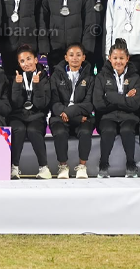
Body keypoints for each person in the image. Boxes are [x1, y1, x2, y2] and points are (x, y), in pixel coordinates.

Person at [92, 39, 140, 179]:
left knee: (127, 130)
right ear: (109, 58)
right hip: (107, 116)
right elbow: (98, 104)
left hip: (129, 116)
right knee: (108, 130)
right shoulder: (101, 76)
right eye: (115, 58)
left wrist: (110, 96)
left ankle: (131, 164)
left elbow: (135, 104)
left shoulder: (135, 77)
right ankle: (103, 164)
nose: (118, 61)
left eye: (121, 58)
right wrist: (125, 98)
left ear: (127, 58)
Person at [48, 43, 95, 179]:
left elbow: (89, 104)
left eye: (78, 55)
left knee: (85, 132)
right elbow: (54, 103)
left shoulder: (90, 78)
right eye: (71, 55)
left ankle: (82, 166)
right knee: (60, 132)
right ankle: (63, 166)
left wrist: (71, 112)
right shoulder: (56, 76)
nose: (75, 58)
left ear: (83, 57)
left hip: (82, 117)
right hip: (61, 116)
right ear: (66, 57)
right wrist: (69, 114)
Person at [7, 45, 51, 180]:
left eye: (29, 59)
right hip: (18, 116)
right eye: (22, 61)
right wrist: (16, 86)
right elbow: (15, 104)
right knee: (18, 129)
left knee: (33, 130)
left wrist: (37, 86)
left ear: (36, 60)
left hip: (36, 116)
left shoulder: (45, 78)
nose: (26, 63)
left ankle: (44, 168)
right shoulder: (15, 77)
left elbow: (41, 104)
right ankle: (13, 167)